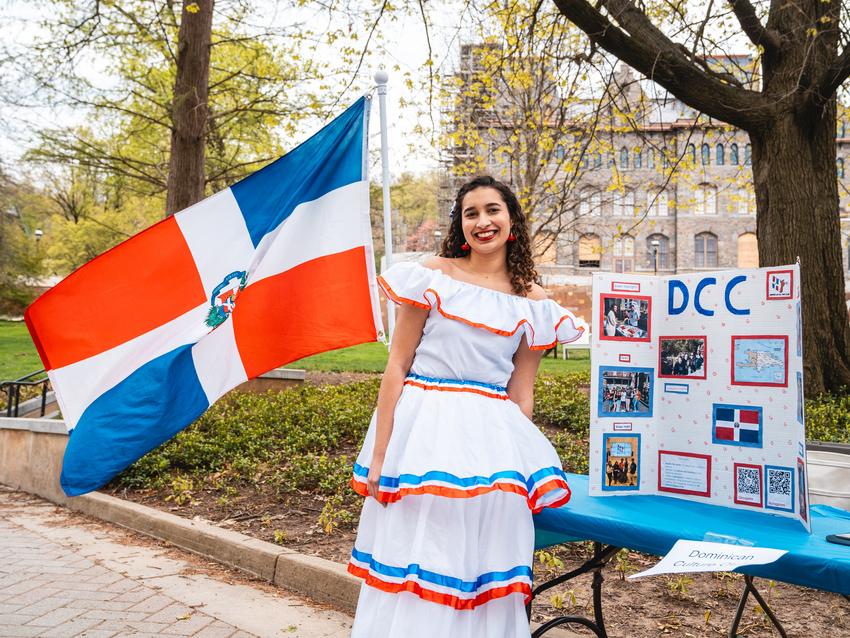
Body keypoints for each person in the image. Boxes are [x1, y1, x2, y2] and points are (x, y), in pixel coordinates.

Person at [348, 176, 583, 637]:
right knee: (417, 557)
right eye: (470, 213)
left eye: (492, 210)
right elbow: (396, 367)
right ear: (460, 224)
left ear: (511, 220)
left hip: (490, 441)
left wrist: (518, 463)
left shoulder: (534, 302)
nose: (482, 221)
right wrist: (380, 453)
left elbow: (522, 393)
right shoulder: (433, 275)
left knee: (481, 564)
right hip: (423, 435)